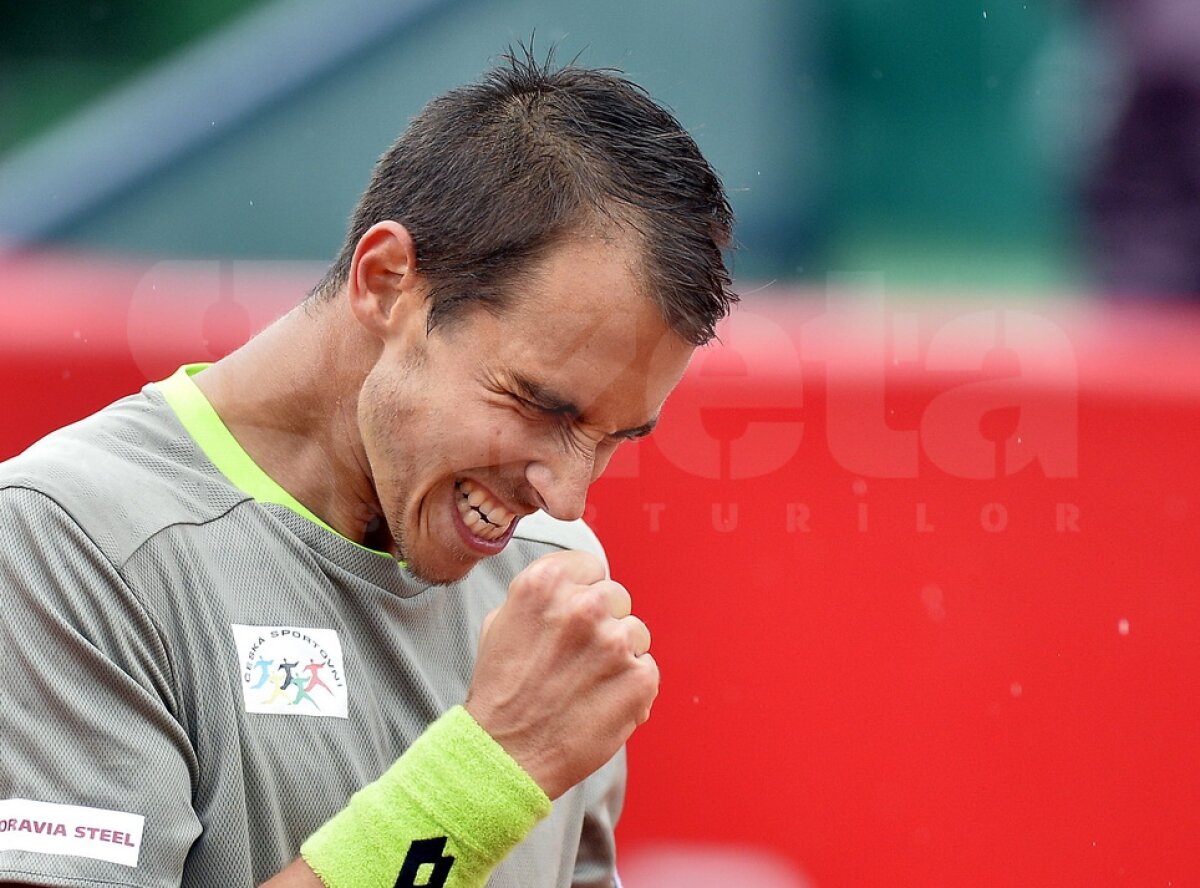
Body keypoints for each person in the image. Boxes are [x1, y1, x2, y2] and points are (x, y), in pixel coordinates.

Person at [0, 50, 736, 888]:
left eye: (614, 439)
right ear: (387, 284)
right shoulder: (62, 540)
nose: (566, 497)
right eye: (541, 405)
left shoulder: (552, 578)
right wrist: (486, 776)